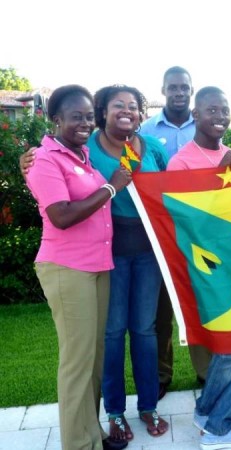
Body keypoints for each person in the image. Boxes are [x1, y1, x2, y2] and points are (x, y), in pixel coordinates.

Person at [24, 84, 131, 450]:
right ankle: (78, 444)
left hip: (98, 266)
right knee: (76, 363)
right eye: (76, 117)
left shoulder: (81, 155)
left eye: (89, 116)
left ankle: (92, 431)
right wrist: (112, 188)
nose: (85, 122)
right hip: (67, 269)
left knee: (94, 359)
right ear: (56, 120)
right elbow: (61, 216)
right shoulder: (44, 159)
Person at [168, 86, 231, 450]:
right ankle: (218, 428)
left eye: (224, 110)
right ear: (195, 114)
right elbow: (186, 223)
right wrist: (216, 179)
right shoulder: (181, 161)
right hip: (209, 270)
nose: (220, 116)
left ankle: (206, 410)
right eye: (211, 110)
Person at [89, 85, 170, 441]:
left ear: (141, 114)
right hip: (110, 250)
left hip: (149, 252)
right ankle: (115, 412)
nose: (127, 111)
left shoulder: (152, 148)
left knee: (145, 330)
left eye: (134, 106)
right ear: (103, 111)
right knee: (112, 332)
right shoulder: (86, 148)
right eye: (117, 106)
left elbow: (170, 190)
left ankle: (149, 406)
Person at [140, 66, 212, 400]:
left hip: (200, 236)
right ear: (164, 90)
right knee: (161, 311)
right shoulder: (145, 132)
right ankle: (161, 375)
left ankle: (206, 372)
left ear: (192, 90)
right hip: (159, 234)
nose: (179, 92)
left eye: (185, 87)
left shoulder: (209, 126)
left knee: (201, 304)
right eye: (173, 87)